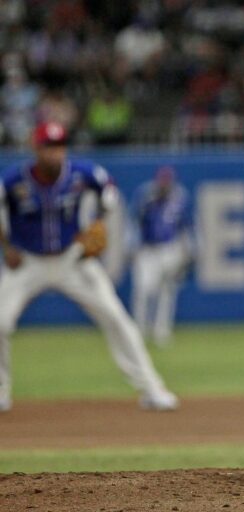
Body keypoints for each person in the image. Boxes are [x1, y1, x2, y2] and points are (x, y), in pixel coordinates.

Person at [0, 121, 179, 413]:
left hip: (72, 259)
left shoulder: (82, 174)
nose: (54, 153)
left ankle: (152, 388)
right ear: (36, 148)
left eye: (59, 146)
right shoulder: (13, 180)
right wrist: (7, 247)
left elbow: (109, 192)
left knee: (117, 318)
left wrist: (96, 221)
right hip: (28, 261)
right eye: (48, 147)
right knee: (0, 321)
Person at [130, 165, 194, 346]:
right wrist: (132, 248)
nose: (165, 186)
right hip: (147, 250)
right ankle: (139, 330)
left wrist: (189, 249)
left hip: (170, 248)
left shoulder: (180, 197)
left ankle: (161, 330)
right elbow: (134, 222)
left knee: (167, 293)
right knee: (143, 290)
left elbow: (187, 225)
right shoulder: (146, 196)